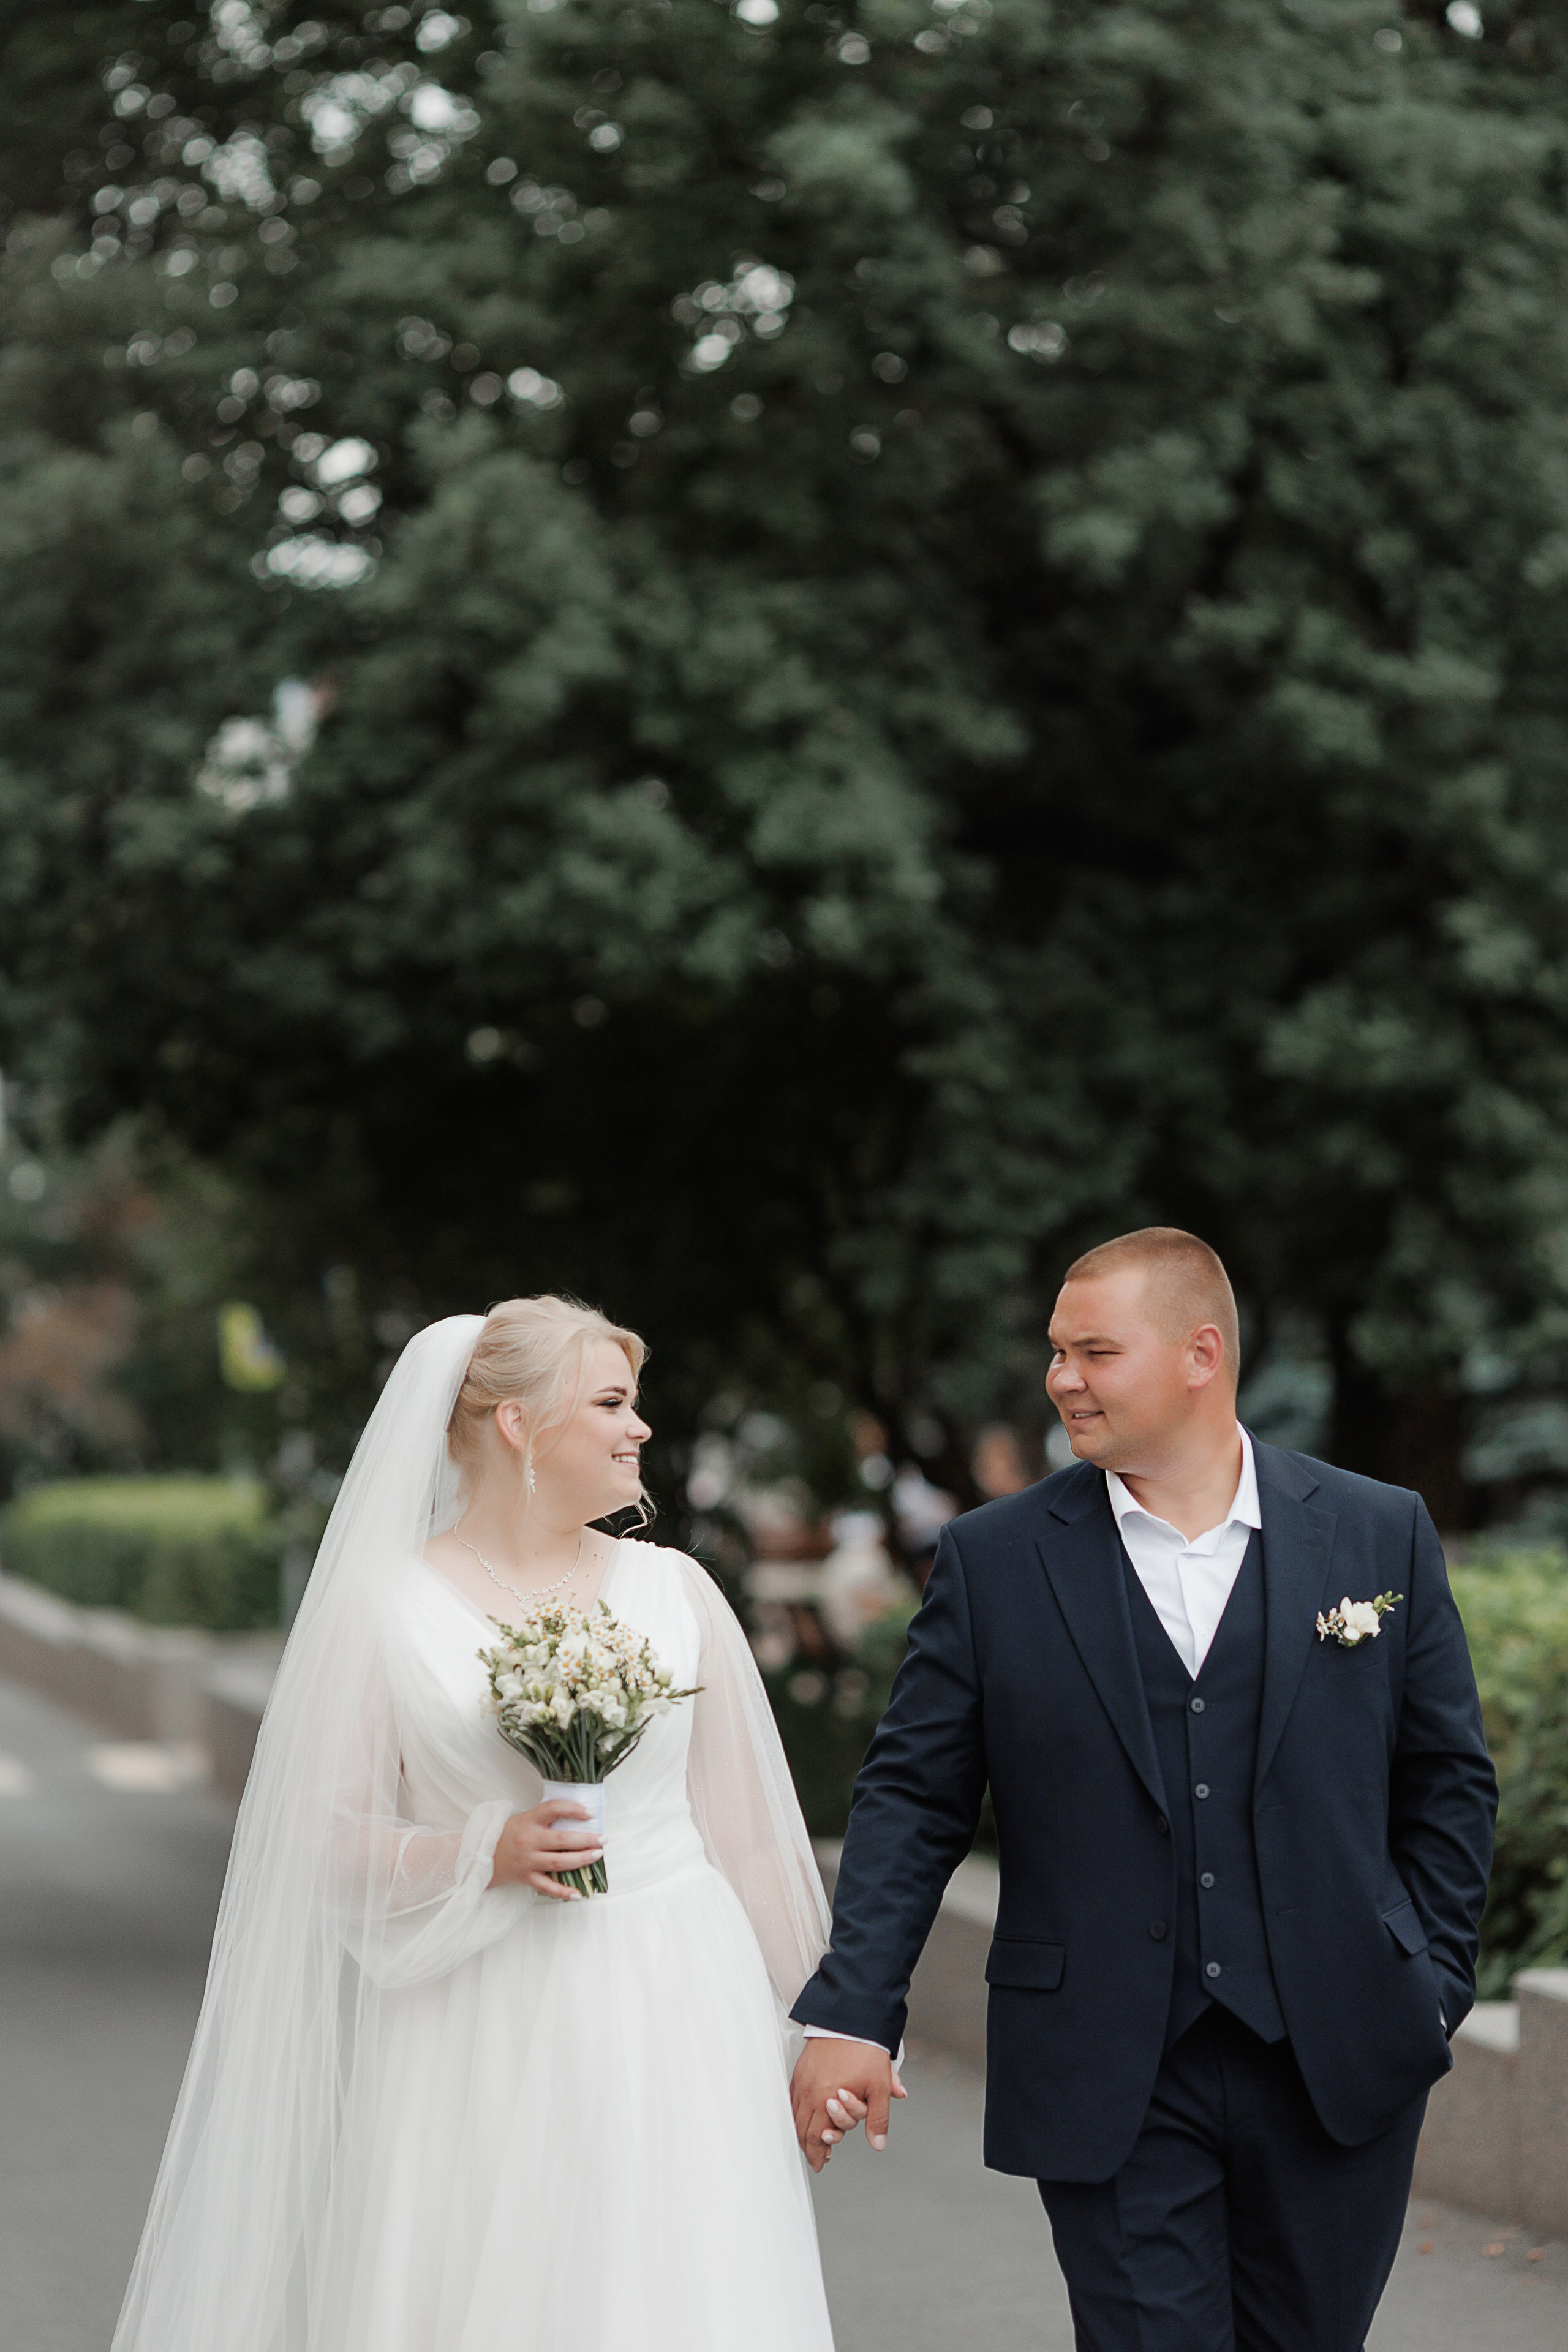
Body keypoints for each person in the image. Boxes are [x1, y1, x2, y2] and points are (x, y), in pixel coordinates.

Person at [791, 1228, 1497, 2352]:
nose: (1061, 1378)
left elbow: (1447, 1781)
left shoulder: (1377, 1530)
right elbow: (914, 1798)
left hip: (1339, 2052)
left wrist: (1430, 1982)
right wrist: (854, 2011)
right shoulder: (994, 1559)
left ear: (1200, 1355)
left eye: (1095, 1352)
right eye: (1057, 1351)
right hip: (1106, 2059)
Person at [113, 1297, 836, 2352]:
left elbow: (753, 1840)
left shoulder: (677, 1591)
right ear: (516, 1423)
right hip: (480, 2015)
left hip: (679, 2000)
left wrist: (832, 2026)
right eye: (612, 1403)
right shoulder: (384, 1608)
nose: (639, 1427)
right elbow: (323, 1840)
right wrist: (478, 1853)